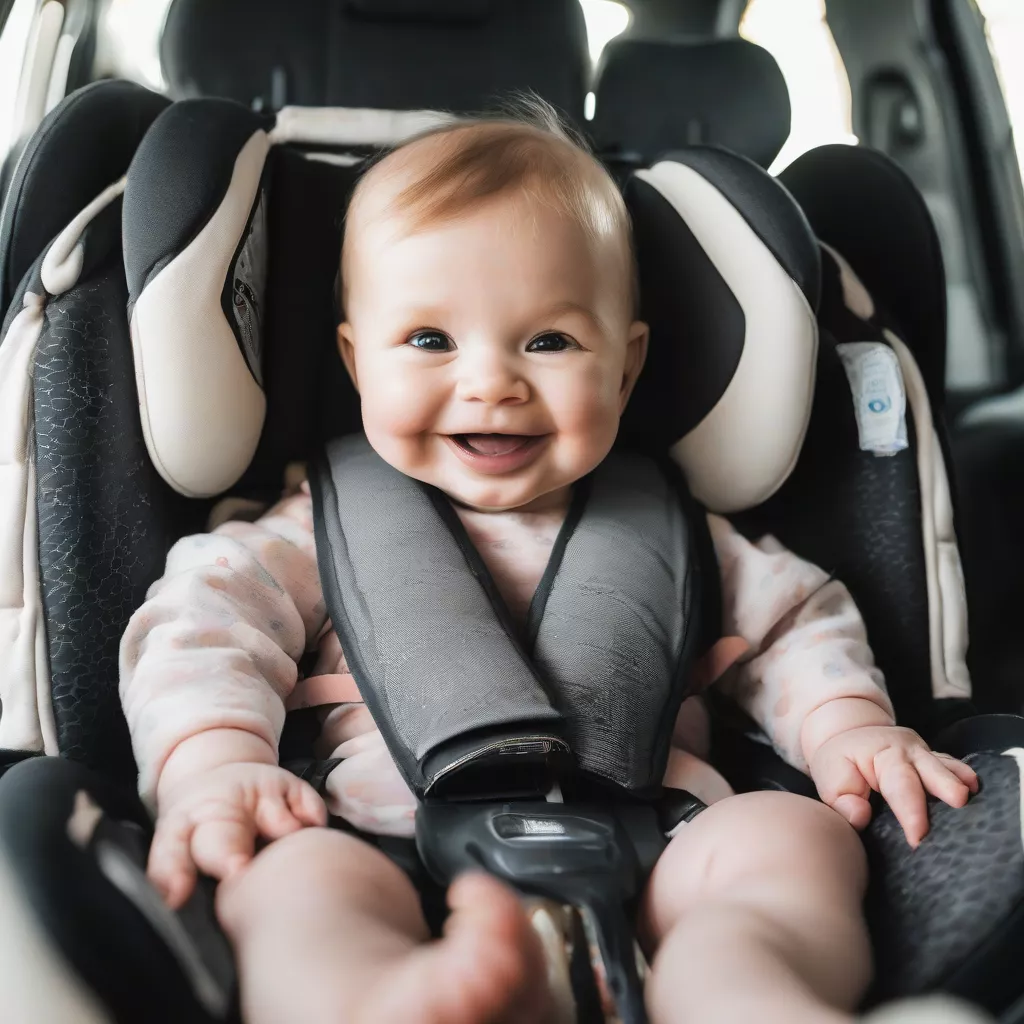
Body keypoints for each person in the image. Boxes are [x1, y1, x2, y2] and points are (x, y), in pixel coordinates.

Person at [119, 98, 979, 1024]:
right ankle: (380, 998)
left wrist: (847, 726)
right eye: (430, 340)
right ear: (357, 362)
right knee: (291, 882)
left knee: (794, 842)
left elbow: (796, 621)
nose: (492, 380)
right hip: (384, 848)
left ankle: (746, 987)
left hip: (664, 850)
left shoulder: (680, 534)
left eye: (551, 341)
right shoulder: (307, 533)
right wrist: (214, 761)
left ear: (625, 365)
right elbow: (203, 627)